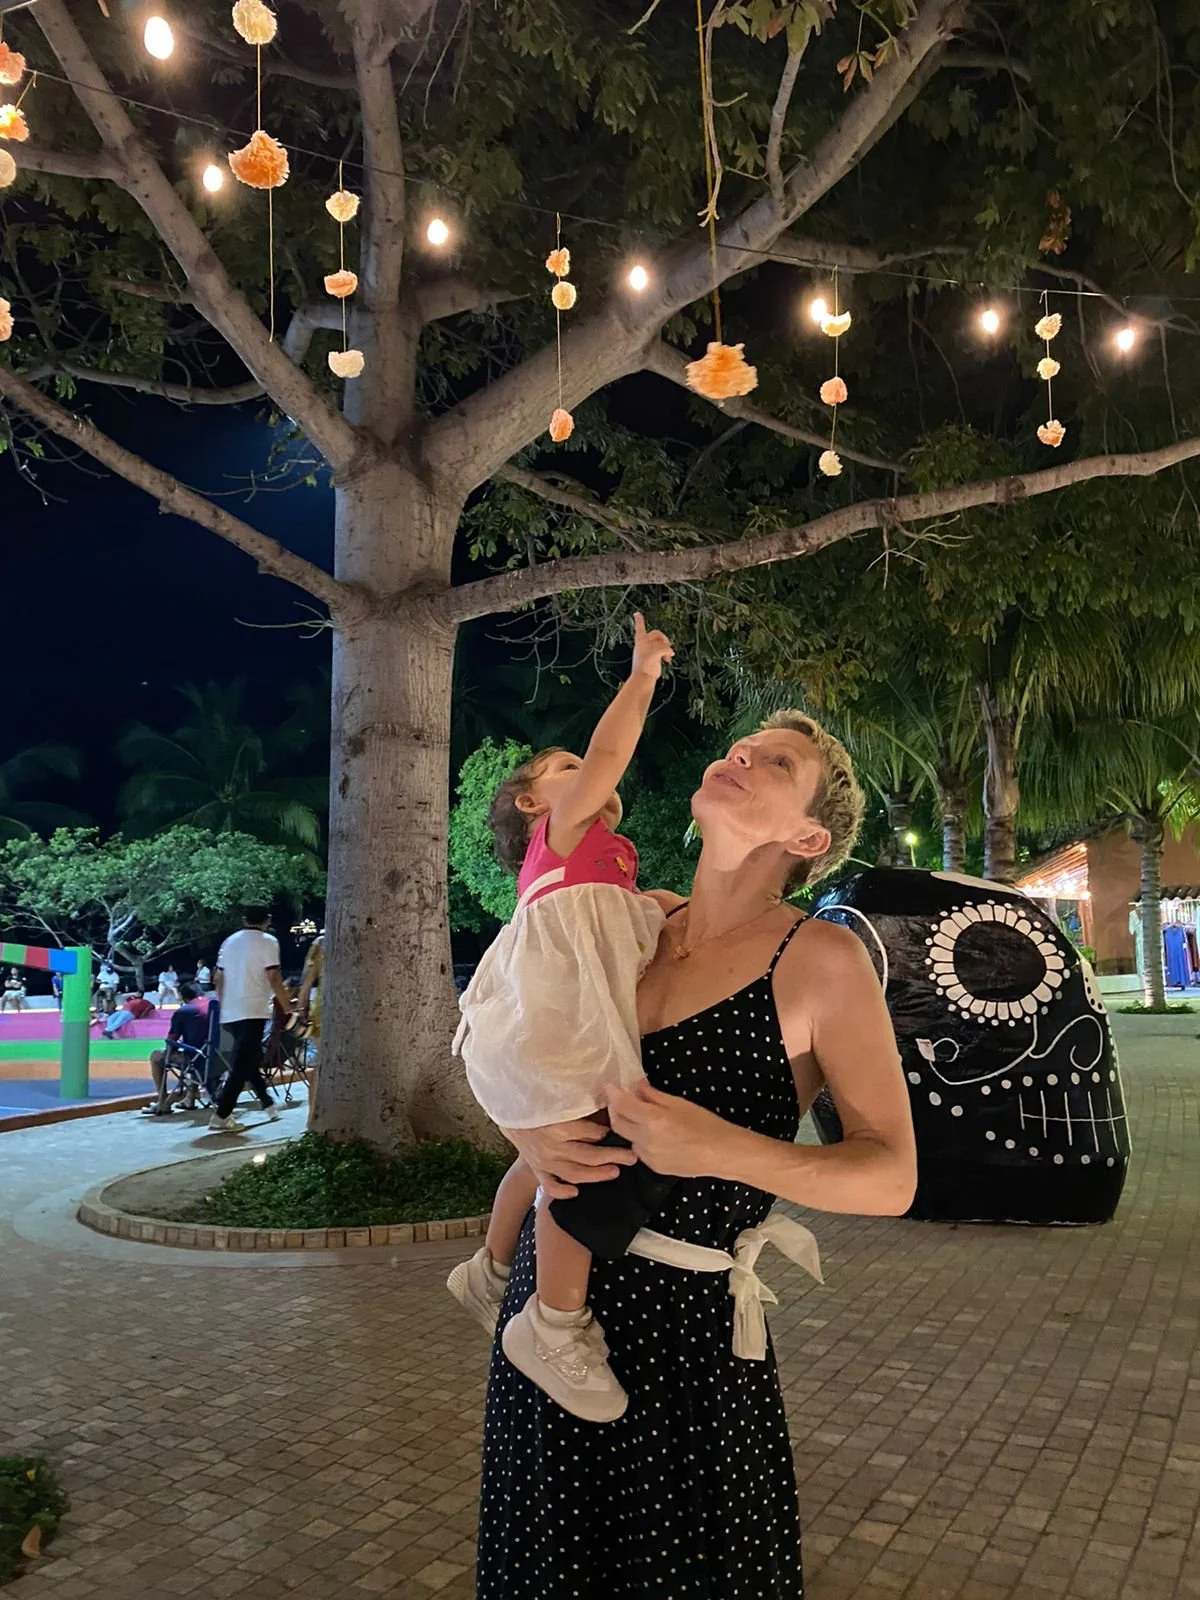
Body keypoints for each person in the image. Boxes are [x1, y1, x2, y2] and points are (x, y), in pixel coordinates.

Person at [476, 710, 917, 1598]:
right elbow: (510, 1030)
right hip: (554, 1320)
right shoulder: (631, 926)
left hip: (686, 1341)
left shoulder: (819, 957)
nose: (738, 757)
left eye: (775, 762)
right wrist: (525, 1128)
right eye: (741, 748)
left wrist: (720, 1146)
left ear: (808, 835)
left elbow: (891, 1175)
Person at [448, 615, 673, 1423]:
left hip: (562, 1013)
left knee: (554, 1149)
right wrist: (641, 677)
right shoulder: (563, 831)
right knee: (580, 1161)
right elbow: (612, 755)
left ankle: (488, 1267)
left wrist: (658, 907)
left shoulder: (610, 856)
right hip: (551, 1014)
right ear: (532, 801)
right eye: (567, 768)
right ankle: (553, 1321)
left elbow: (625, 928)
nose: (588, 774)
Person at [208, 906, 293, 1133]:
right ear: (268, 920)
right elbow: (273, 976)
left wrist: (225, 1004)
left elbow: (218, 978)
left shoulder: (229, 942)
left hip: (232, 1010)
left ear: (244, 919)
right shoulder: (268, 942)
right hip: (253, 1008)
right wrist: (287, 1006)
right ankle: (222, 1114)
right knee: (241, 1062)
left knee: (247, 1058)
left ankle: (267, 1104)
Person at [142, 982, 210, 1115]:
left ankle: (162, 1103)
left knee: (156, 1056)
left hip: (198, 1060)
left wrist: (169, 1052)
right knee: (195, 1053)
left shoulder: (184, 1011)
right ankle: (189, 1099)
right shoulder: (216, 1006)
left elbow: (171, 1041)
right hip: (220, 1060)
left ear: (183, 997)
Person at [296, 931, 324, 1128]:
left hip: (325, 1008)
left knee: (321, 1064)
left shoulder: (321, 943)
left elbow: (306, 984)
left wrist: (301, 1010)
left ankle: (312, 1116)